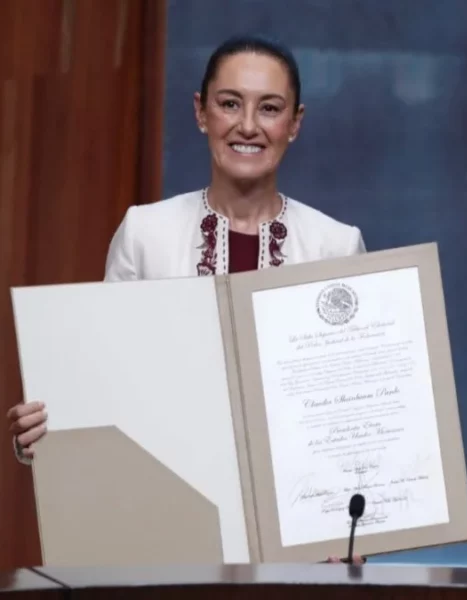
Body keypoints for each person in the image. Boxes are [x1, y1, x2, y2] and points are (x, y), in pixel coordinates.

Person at [7, 35, 366, 564]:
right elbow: (104, 383)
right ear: (201, 113)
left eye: (269, 108)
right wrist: (43, 434)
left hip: (301, 539)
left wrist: (361, 529)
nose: (248, 125)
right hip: (163, 528)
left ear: (295, 122)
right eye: (229, 103)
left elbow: (357, 411)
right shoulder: (144, 233)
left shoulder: (338, 244)